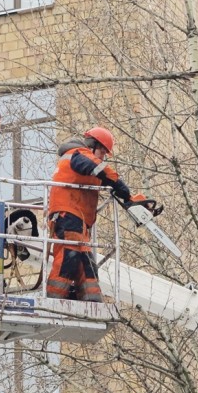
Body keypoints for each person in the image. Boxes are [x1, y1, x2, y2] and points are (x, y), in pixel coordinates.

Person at [47, 127, 162, 302]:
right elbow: (102, 171)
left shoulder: (83, 165)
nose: (102, 156)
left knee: (86, 262)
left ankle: (92, 301)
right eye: (102, 151)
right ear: (92, 145)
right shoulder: (78, 154)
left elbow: (106, 182)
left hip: (77, 221)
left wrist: (132, 199)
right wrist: (121, 187)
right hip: (68, 216)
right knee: (68, 257)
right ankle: (53, 299)